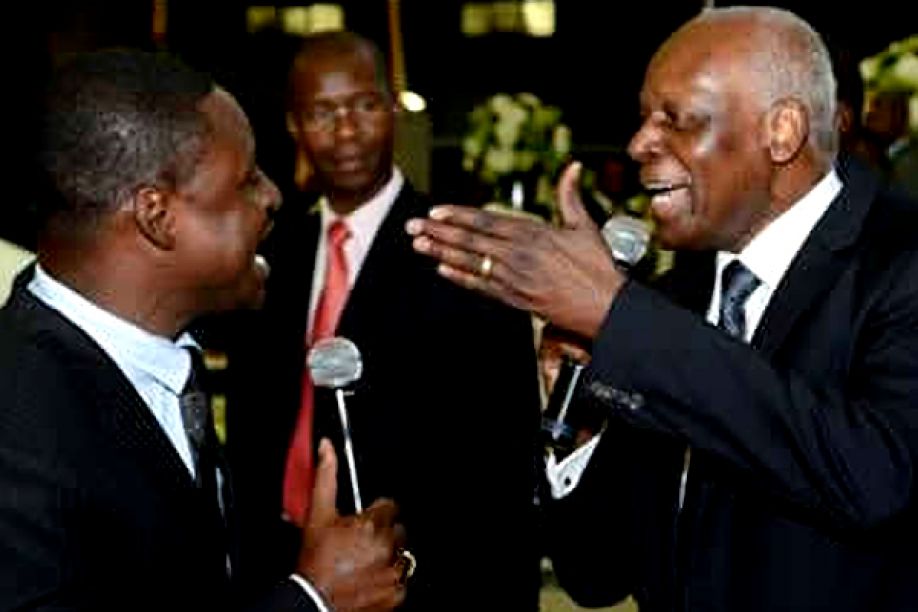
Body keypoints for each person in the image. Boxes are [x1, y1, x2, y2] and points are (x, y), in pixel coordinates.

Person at [407, 6, 918, 611]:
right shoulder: (672, 297)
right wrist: (579, 429)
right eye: (645, 117)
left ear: (781, 131)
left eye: (675, 119)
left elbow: (876, 478)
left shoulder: (900, 262)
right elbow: (596, 574)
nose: (638, 144)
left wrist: (617, 318)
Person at [0, 48, 409, 612]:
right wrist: (314, 599)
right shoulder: (18, 432)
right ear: (157, 216)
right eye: (245, 181)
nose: (272, 196)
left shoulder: (159, 355)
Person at [216, 31, 543, 611]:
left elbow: (506, 469)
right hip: (279, 574)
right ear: (293, 124)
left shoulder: (458, 250)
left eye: (364, 105)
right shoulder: (270, 255)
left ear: (393, 109)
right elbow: (251, 431)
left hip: (424, 583)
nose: (346, 131)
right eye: (322, 112)